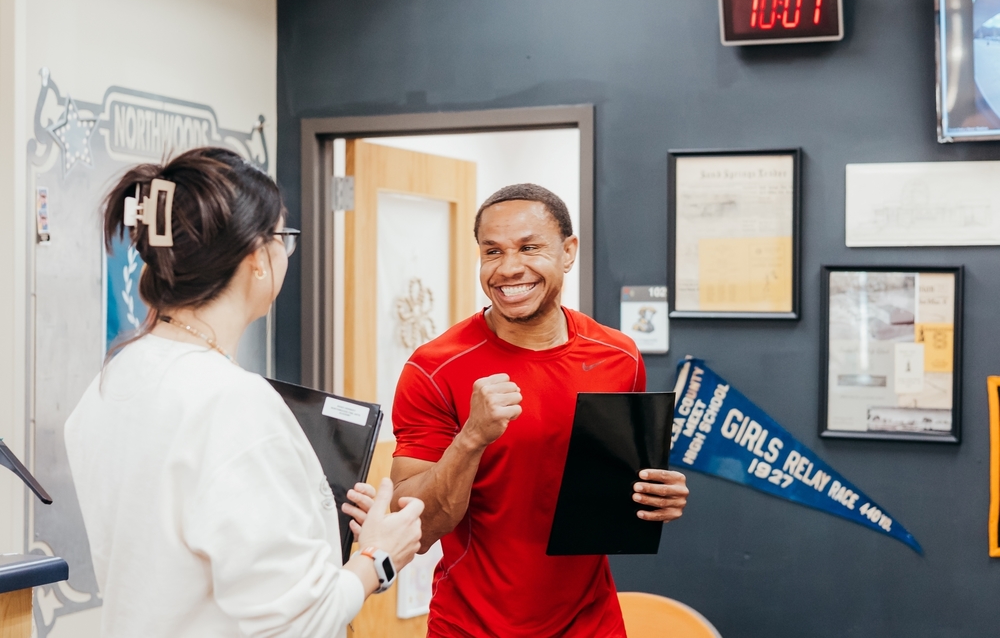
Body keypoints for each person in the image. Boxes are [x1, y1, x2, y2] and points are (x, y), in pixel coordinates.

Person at [64, 147, 423, 638]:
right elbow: (298, 623)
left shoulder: (113, 382)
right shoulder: (232, 404)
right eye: (284, 239)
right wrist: (379, 556)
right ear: (257, 258)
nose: (285, 254)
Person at [389, 183, 690, 637]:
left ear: (568, 252)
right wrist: (472, 436)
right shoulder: (433, 368)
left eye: (529, 248)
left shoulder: (618, 357)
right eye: (492, 252)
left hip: (591, 624)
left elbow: (612, 493)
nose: (509, 269)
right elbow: (415, 528)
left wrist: (654, 498)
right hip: (473, 626)